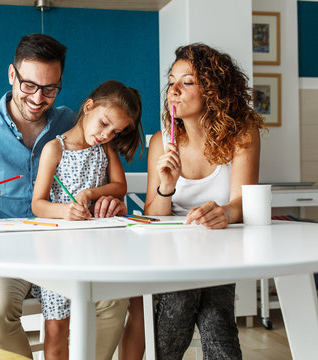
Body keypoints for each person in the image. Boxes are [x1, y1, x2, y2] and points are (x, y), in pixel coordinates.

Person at [0, 33, 129, 359]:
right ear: (12, 75)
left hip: (66, 250)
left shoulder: (71, 123)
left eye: (50, 89)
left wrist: (109, 201)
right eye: (29, 85)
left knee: (115, 301)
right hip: (6, 253)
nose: (39, 98)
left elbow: (100, 176)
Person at [120, 43, 265, 360]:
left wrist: (224, 212)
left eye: (187, 82)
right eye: (171, 81)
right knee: (192, 308)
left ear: (213, 90)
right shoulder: (162, 141)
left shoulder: (242, 135)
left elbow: (243, 202)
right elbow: (154, 217)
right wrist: (166, 189)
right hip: (173, 254)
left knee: (210, 319)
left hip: (220, 248)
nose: (174, 90)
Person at [30, 80, 144, 359]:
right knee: (56, 327)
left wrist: (92, 192)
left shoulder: (105, 149)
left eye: (115, 131)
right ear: (88, 106)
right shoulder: (54, 150)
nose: (106, 135)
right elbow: (38, 204)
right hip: (56, 255)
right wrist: (65, 211)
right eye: (104, 124)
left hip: (97, 252)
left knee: (111, 307)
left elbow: (119, 186)